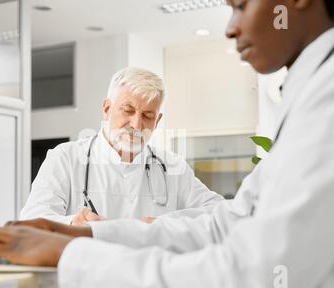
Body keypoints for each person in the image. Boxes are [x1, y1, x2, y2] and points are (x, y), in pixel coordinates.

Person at [0, 0, 334, 288]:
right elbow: (227, 225)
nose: (231, 28)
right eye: (127, 111)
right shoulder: (318, 89)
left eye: (240, 5)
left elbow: (252, 274)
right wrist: (86, 235)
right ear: (107, 108)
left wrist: (76, 252)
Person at [20, 67, 223, 226]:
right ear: (107, 108)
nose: (136, 125)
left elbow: (217, 210)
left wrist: (168, 223)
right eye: (128, 110)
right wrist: (72, 222)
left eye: (147, 116)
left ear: (158, 121)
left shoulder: (172, 167)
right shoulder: (65, 158)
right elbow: (32, 220)